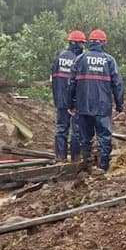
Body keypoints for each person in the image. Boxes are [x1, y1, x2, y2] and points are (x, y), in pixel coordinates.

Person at [68, 29, 124, 173]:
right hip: (103, 106)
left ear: (90, 42)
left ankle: (87, 166)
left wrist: (70, 103)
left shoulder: (80, 59)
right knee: (104, 137)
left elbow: (71, 83)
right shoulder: (109, 60)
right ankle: (103, 167)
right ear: (104, 42)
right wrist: (119, 105)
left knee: (85, 137)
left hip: (83, 105)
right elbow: (117, 84)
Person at [52, 30, 86, 162]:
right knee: (76, 130)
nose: (83, 47)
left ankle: (60, 157)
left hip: (60, 99)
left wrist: (56, 98)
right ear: (76, 43)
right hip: (74, 101)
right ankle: (75, 158)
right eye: (82, 44)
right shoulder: (79, 59)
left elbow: (53, 80)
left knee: (61, 128)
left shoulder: (59, 57)